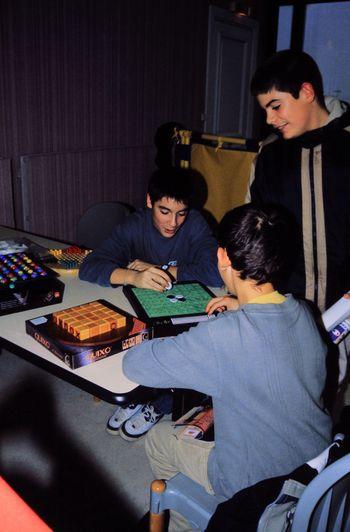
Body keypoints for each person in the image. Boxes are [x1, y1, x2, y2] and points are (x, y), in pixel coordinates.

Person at [122, 203, 332, 530]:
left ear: (222, 258)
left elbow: (136, 365)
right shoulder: (304, 312)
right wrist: (238, 308)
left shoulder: (222, 338)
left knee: (160, 437)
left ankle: (179, 517)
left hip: (255, 486)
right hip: (314, 467)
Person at [79, 167, 222, 440]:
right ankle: (142, 394)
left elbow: (216, 270)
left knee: (188, 351)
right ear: (149, 202)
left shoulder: (195, 223)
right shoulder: (135, 224)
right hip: (146, 316)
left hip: (186, 317)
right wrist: (133, 276)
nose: (173, 222)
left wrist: (161, 270)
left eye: (181, 212)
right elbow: (90, 266)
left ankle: (160, 404)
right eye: (164, 211)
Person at [247, 49, 350, 386]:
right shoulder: (270, 156)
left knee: (330, 394)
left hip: (344, 309)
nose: (270, 118)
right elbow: (252, 230)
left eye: (275, 106)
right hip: (289, 308)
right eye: (265, 110)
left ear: (307, 93)